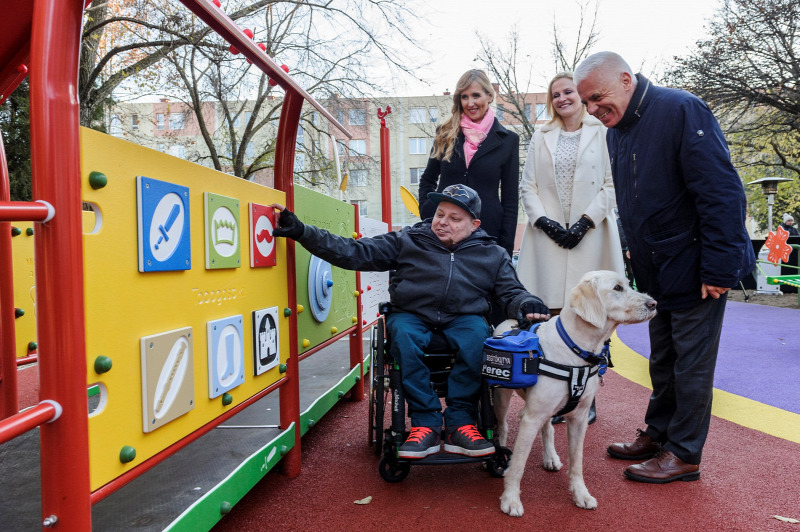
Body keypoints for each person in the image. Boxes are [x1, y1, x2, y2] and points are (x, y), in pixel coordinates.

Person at [574, 52, 756, 483]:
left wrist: (718, 268)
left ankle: (684, 453)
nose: (594, 110)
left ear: (624, 79)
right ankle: (658, 434)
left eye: (597, 98)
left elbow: (721, 192)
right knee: (664, 359)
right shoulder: (618, 131)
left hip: (697, 266)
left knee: (691, 364)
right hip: (658, 267)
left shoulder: (680, 109)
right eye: (587, 104)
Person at [270, 184, 550, 459]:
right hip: (412, 315)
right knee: (403, 337)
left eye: (454, 219)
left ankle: (460, 423)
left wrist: (526, 303)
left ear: (474, 224)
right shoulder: (408, 240)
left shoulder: (492, 254)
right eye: (440, 214)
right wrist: (302, 232)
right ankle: (425, 423)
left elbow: (511, 291)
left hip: (463, 317)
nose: (443, 223)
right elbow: (353, 251)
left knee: (478, 337)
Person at [517, 72, 625, 426]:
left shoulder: (602, 131)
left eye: (569, 92)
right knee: (550, 315)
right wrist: (544, 222)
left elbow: (611, 184)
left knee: (591, 314)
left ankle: (587, 394)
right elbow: (528, 185)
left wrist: (584, 222)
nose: (563, 98)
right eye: (556, 94)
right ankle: (554, 391)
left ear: (580, 95)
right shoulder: (542, 134)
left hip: (589, 235)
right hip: (548, 237)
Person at [418, 69, 519, 257]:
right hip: (444, 233)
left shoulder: (508, 140)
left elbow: (510, 199)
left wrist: (505, 248)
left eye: (476, 95)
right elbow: (427, 179)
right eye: (464, 97)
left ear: (489, 96)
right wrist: (429, 212)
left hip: (487, 232)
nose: (470, 103)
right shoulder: (445, 133)